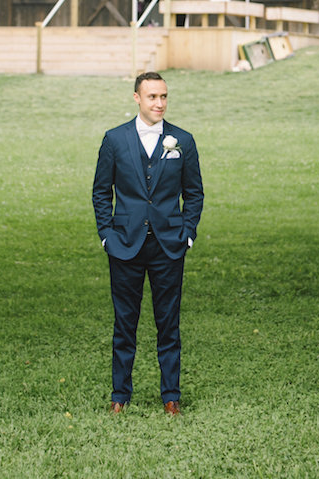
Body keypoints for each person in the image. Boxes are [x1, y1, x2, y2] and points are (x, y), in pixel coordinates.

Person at [92, 71, 204, 415]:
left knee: (168, 323)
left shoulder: (182, 141)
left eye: (164, 97)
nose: (160, 103)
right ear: (137, 98)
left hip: (169, 244)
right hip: (125, 243)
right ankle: (119, 396)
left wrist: (187, 231)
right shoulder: (115, 139)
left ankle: (171, 395)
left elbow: (194, 193)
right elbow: (101, 192)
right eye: (153, 96)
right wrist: (107, 234)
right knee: (124, 323)